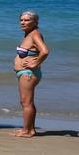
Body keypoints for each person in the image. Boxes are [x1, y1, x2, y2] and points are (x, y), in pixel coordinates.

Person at [14, 10, 49, 138]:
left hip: (28, 73)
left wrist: (35, 63)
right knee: (28, 102)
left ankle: (26, 131)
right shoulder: (28, 34)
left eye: (27, 20)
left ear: (35, 22)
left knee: (26, 102)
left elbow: (44, 51)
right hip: (26, 72)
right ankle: (30, 129)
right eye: (21, 20)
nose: (23, 22)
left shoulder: (35, 34)